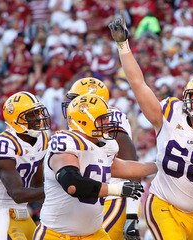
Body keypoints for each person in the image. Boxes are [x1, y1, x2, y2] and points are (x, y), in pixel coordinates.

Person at [109, 18, 193, 240]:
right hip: (163, 205)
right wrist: (124, 47)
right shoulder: (170, 113)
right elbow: (138, 84)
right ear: (185, 98)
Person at [34, 93, 157, 239]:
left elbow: (125, 168)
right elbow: (72, 184)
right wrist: (117, 189)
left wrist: (160, 165)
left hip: (94, 234)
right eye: (102, 118)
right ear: (84, 121)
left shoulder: (104, 146)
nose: (107, 122)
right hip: (57, 235)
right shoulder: (67, 142)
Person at [61, 77, 141, 240]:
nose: (70, 104)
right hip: (89, 199)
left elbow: (133, 169)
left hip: (113, 198)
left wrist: (132, 216)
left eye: (76, 100)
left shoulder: (111, 121)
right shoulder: (81, 122)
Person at [0, 91, 51, 239]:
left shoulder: (41, 139)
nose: (39, 118)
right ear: (16, 120)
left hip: (23, 213)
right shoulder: (3, 143)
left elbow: (37, 184)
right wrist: (59, 189)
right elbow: (17, 193)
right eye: (32, 114)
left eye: (38, 112)